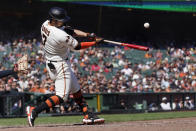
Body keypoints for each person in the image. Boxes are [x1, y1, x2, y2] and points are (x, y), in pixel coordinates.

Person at [26, 7, 104, 127]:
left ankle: (87, 114)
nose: (63, 21)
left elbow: (69, 30)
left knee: (76, 89)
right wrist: (95, 42)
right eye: (61, 20)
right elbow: (77, 46)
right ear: (54, 20)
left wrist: (87, 35)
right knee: (62, 96)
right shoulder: (59, 35)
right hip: (60, 64)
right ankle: (34, 111)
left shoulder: (46, 24)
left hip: (53, 62)